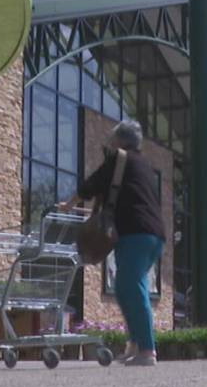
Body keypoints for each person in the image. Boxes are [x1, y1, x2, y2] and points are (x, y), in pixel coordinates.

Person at [60, 120, 165, 366]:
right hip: (152, 236)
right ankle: (135, 344)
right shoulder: (143, 165)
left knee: (133, 286)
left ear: (119, 141)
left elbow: (91, 185)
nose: (110, 143)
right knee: (123, 288)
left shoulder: (119, 159)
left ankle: (147, 351)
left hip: (135, 233)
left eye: (112, 139)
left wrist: (67, 206)